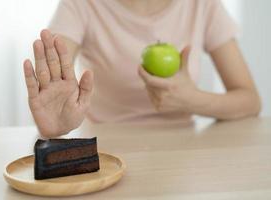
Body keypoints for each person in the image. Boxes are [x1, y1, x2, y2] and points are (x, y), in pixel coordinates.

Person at [23, 0, 261, 138]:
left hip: (183, 151)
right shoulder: (82, 4)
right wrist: (57, 125)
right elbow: (55, 75)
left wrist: (193, 100)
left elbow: (250, 101)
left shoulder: (202, 4)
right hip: (107, 154)